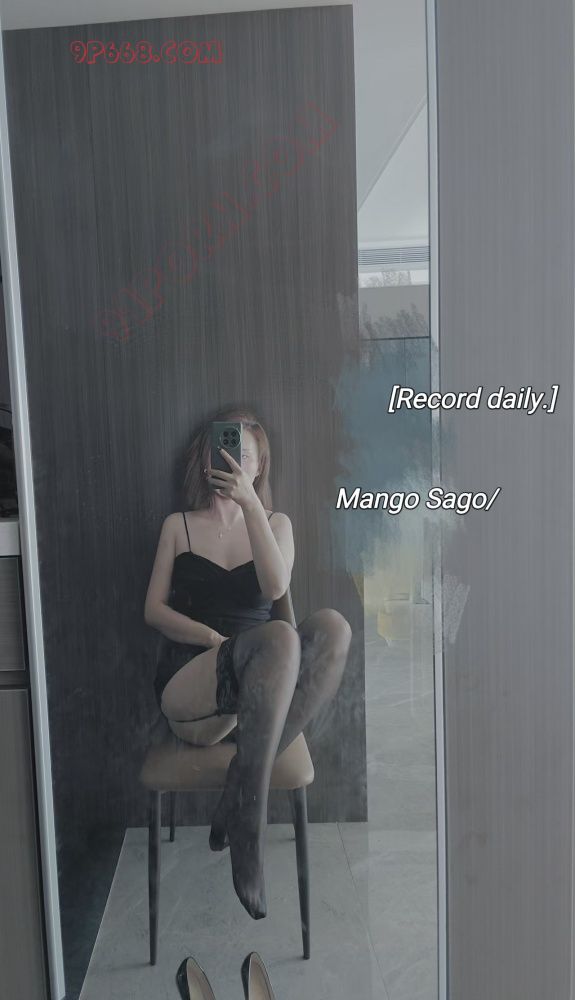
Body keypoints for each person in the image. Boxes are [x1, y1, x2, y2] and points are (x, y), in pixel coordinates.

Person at [144, 406, 352, 920]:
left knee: (333, 628)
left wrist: (251, 507)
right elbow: (153, 611)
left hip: (258, 701)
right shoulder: (178, 526)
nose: (234, 462)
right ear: (207, 459)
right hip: (192, 689)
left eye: (246, 456)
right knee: (279, 636)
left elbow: (276, 586)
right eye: (225, 450)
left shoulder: (276, 524)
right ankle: (249, 830)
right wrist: (212, 638)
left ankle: (242, 784)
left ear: (258, 469)